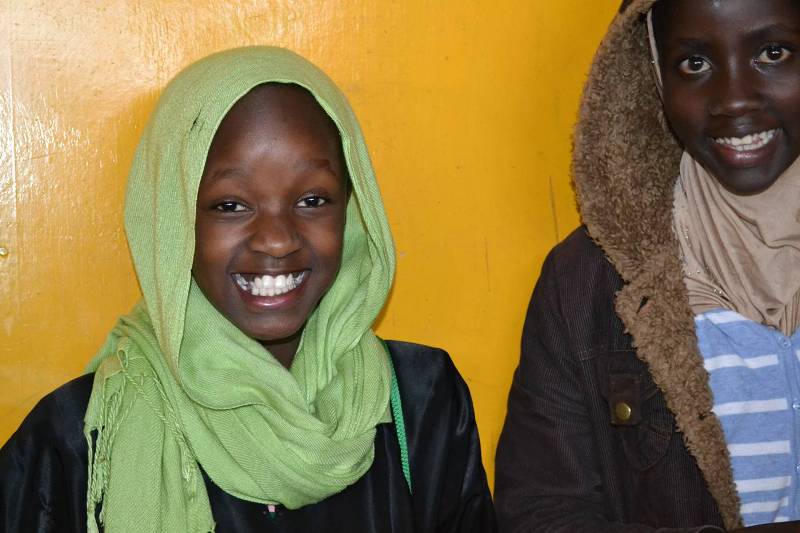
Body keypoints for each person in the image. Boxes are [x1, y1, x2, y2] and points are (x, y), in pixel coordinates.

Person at [0, 46, 495, 532]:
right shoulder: (76, 444)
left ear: (352, 208)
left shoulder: (421, 402)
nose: (277, 240)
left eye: (312, 199)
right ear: (173, 220)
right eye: (231, 206)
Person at [495, 0, 800, 531]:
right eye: (695, 64)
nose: (734, 98)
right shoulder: (587, 281)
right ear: (653, 76)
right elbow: (540, 513)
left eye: (773, 53)